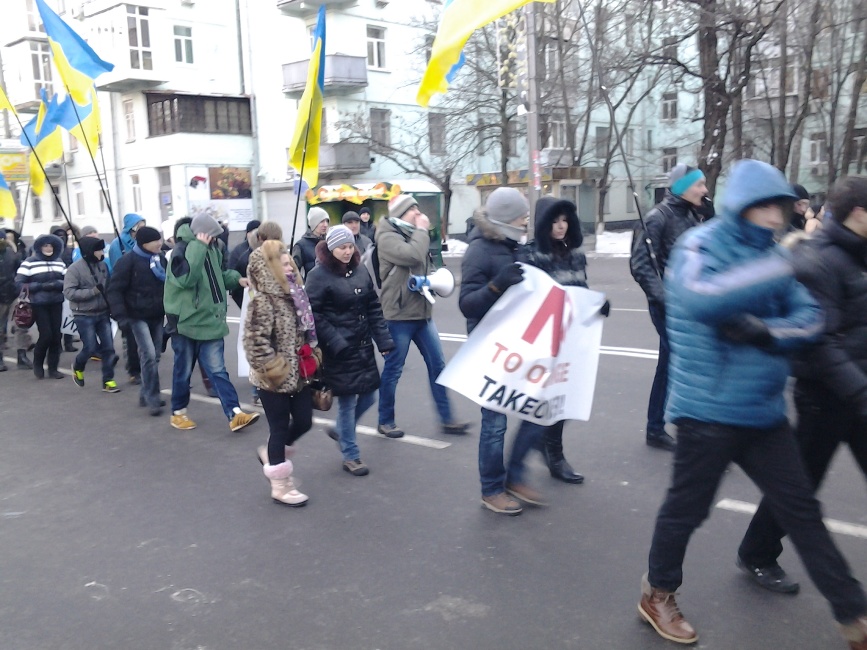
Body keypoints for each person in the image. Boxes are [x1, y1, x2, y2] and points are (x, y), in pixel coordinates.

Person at [638, 159, 867, 648]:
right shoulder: (701, 245)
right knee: (687, 510)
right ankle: (658, 593)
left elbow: (810, 320)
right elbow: (700, 296)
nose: (772, 216)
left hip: (763, 411)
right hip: (706, 410)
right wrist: (778, 269)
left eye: (780, 206)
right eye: (763, 205)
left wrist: (768, 332)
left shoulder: (774, 257)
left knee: (803, 513)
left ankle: (854, 616)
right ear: (741, 205)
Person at [736, 177, 867, 597]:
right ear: (858, 213)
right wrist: (859, 390)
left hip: (857, 389)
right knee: (798, 487)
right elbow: (822, 340)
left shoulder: (859, 255)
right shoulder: (820, 260)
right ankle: (756, 552)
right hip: (826, 396)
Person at [459, 187, 545, 515]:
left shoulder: (515, 246)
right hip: (490, 349)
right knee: (495, 423)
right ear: (507, 218)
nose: (527, 221)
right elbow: (467, 304)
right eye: (522, 216)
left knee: (534, 410)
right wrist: (497, 285)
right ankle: (492, 489)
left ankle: (515, 476)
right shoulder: (479, 251)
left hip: (517, 345)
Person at [522, 196, 609, 484]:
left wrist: (597, 305)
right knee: (541, 397)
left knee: (564, 396)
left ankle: (551, 449)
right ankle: (546, 452)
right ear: (544, 224)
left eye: (564, 220)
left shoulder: (575, 254)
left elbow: (579, 291)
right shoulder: (531, 256)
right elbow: (527, 300)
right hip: (543, 338)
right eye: (555, 221)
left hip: (570, 337)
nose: (561, 227)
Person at [629, 163, 708, 451]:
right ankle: (673, 426)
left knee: (671, 363)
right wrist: (664, 298)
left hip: (689, 303)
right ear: (682, 186)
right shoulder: (657, 218)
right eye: (699, 184)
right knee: (681, 361)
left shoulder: (691, 216)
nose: (705, 189)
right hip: (667, 305)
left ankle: (656, 426)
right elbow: (640, 265)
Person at [375, 193, 467, 438]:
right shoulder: (387, 236)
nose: (419, 215)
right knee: (394, 369)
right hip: (399, 314)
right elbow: (412, 255)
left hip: (422, 313)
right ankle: (385, 421)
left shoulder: (413, 234)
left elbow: (424, 264)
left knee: (438, 365)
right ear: (402, 214)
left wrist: (437, 279)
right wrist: (423, 230)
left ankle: (448, 419)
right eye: (414, 211)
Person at [306, 225, 394, 477]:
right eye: (341, 247)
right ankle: (351, 455)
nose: (347, 251)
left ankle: (341, 431)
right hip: (339, 350)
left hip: (363, 346)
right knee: (347, 402)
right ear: (331, 248)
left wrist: (384, 341)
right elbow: (314, 314)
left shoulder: (359, 270)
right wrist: (335, 341)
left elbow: (373, 307)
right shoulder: (318, 275)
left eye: (350, 246)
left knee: (369, 397)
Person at [164, 213, 260, 432]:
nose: (217, 240)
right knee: (183, 370)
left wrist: (237, 279)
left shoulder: (212, 249)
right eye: (214, 235)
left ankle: (235, 414)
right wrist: (198, 246)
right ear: (202, 233)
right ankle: (178, 413)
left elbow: (218, 275)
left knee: (218, 370)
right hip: (186, 323)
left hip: (211, 320)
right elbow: (185, 279)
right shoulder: (180, 250)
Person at [243, 240, 315, 505]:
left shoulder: (296, 294)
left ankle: (273, 455)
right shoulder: (263, 302)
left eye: (290, 263)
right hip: (274, 379)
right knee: (279, 427)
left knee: (305, 421)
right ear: (269, 268)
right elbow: (254, 345)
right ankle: (280, 484)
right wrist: (276, 371)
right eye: (283, 264)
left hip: (300, 375)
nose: (289, 268)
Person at [108, 226, 168, 416]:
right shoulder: (128, 262)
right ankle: (152, 397)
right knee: (148, 354)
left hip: (157, 314)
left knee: (155, 355)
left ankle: (145, 392)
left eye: (160, 239)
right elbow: (114, 290)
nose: (160, 243)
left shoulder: (161, 260)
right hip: (136, 315)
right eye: (156, 241)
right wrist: (121, 317)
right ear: (144, 243)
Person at [63, 236, 119, 392]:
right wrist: (92, 292)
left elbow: (108, 287)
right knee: (90, 348)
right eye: (99, 250)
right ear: (90, 252)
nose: (102, 252)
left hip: (103, 313)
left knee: (108, 348)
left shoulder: (103, 266)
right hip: (83, 315)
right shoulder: (74, 269)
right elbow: (69, 292)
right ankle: (78, 366)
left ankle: (108, 380)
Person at [15, 233, 66, 379]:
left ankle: (53, 368)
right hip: (38, 304)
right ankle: (38, 364)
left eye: (51, 246)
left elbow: (68, 280)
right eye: (45, 245)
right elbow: (19, 284)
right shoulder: (29, 262)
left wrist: (57, 284)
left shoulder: (59, 262)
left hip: (56, 302)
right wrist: (40, 286)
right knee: (46, 335)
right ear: (39, 247)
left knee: (56, 336)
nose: (48, 248)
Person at [108, 213, 146, 385]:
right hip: (127, 295)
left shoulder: (143, 242)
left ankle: (145, 365)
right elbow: (117, 269)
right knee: (130, 336)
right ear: (132, 226)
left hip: (144, 294)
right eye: (140, 224)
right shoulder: (118, 245)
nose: (142, 227)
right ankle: (133, 370)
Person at [1, 229, 33, 369]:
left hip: (13, 293)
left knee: (21, 324)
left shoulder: (11, 253)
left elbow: (20, 269)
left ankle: (22, 355)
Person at [52, 224, 81, 353]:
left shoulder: (69, 251)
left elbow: (73, 266)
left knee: (68, 316)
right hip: (54, 289)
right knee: (57, 319)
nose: (61, 238)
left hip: (67, 286)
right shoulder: (50, 251)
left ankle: (68, 342)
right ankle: (57, 344)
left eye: (63, 236)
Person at [228, 219, 261, 308]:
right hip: (243, 291)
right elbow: (231, 270)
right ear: (248, 234)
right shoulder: (239, 251)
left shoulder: (265, 249)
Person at [292, 207, 329, 279]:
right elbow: (294, 271)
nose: (325, 225)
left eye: (327, 221)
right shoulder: (301, 245)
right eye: (321, 221)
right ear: (313, 223)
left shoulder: (330, 242)